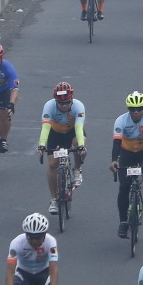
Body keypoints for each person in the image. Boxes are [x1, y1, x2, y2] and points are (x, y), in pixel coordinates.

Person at [111, 92, 143, 238]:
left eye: (139, 109)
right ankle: (123, 222)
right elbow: (117, 142)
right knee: (124, 187)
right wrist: (114, 160)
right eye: (132, 109)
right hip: (126, 153)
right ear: (128, 109)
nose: (136, 112)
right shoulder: (120, 120)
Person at [37, 81, 87, 212]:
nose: (64, 106)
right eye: (60, 103)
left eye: (67, 103)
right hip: (55, 133)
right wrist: (41, 145)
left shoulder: (78, 106)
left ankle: (77, 169)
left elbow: (79, 128)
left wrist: (81, 146)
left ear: (71, 100)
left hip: (72, 131)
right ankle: (54, 199)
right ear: (56, 101)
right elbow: (45, 128)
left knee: (79, 144)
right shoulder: (49, 106)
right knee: (52, 164)